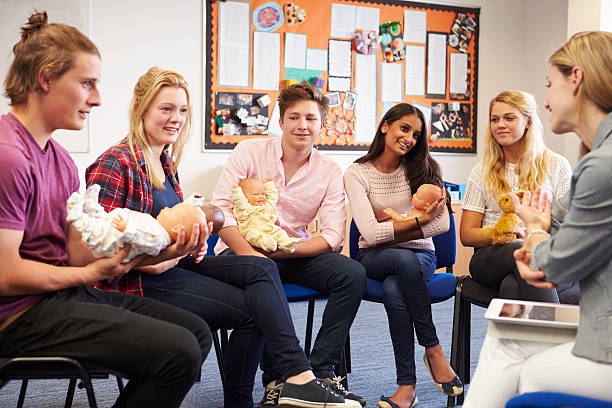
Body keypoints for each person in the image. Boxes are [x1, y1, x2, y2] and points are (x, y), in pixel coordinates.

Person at [86, 68, 357, 408]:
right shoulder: (116, 162)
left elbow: (170, 228)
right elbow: (97, 247)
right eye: (166, 109)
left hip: (177, 263)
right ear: (141, 108)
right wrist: (166, 253)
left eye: (182, 111)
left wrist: (196, 233)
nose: (176, 119)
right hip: (141, 279)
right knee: (254, 304)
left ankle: (296, 377)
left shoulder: (164, 161)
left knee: (261, 275)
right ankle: (292, 380)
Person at [0, 12, 212, 408]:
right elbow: (6, 276)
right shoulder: (9, 156)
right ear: (46, 79)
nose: (97, 98)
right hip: (15, 315)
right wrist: (88, 273)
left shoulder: (61, 160)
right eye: (87, 84)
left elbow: (75, 251)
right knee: (178, 352)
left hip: (61, 294)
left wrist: (164, 244)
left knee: (195, 334)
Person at [463, 31, 612, 407]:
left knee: (514, 354)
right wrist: (538, 232)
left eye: (549, 85)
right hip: (521, 269)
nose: (545, 100)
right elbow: (559, 225)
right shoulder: (596, 160)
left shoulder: (597, 166)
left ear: (575, 79)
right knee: (510, 333)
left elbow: (551, 264)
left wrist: (532, 230)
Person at [211, 81, 368, 407]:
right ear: (280, 121)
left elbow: (332, 236)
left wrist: (288, 250)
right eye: (294, 117)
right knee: (263, 274)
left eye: (310, 118)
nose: (302, 125)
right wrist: (254, 255)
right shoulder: (249, 152)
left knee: (351, 274)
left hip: (292, 249)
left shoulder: (328, 170)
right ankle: (277, 381)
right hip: (242, 249)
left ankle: (319, 373)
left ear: (321, 124)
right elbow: (221, 212)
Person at [343, 103, 463, 408]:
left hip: (421, 258)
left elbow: (443, 224)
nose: (409, 138)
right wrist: (419, 222)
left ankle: (406, 388)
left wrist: (395, 226)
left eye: (416, 134)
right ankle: (434, 350)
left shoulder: (425, 169)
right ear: (386, 126)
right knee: (402, 260)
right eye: (404, 128)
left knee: (398, 284)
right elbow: (368, 235)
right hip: (373, 257)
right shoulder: (357, 173)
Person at [460, 90, 572, 302]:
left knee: (512, 286)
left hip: (548, 254)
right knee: (522, 249)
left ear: (528, 122)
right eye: (495, 119)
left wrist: (536, 235)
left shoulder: (557, 165)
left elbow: (571, 228)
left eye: (509, 118)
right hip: (493, 256)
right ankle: (555, 334)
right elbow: (467, 234)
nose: (500, 124)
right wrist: (504, 234)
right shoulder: (481, 171)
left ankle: (526, 335)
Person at [68, 184, 207, 261]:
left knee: (95, 228)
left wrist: (127, 228)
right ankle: (91, 206)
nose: (166, 208)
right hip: (114, 226)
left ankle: (76, 218)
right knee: (101, 218)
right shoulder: (158, 228)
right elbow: (184, 211)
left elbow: (143, 241)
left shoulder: (159, 238)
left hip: (110, 242)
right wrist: (195, 200)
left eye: (171, 210)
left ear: (176, 229)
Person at [232, 178, 301, 253]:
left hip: (270, 230)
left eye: (263, 194)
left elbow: (273, 198)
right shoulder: (245, 209)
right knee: (252, 236)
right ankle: (267, 244)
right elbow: (240, 202)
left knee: (280, 232)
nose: (261, 196)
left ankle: (286, 243)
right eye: (256, 194)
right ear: (244, 196)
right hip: (251, 230)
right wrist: (237, 192)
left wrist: (269, 186)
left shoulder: (267, 205)